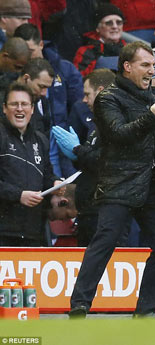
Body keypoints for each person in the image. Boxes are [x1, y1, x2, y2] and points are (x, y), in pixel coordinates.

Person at [69, 41, 155, 318]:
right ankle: (79, 304)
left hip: (153, 181)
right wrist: (150, 119)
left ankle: (146, 311)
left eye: (152, 65)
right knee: (106, 240)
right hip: (120, 181)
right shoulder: (108, 98)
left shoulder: (151, 95)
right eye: (145, 65)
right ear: (127, 67)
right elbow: (118, 134)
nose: (151, 71)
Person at [53, 68, 116, 246]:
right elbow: (91, 161)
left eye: (88, 94)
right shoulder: (99, 123)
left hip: (104, 214)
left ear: (101, 91)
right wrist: (76, 156)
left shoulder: (115, 124)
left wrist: (77, 149)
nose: (84, 100)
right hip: (91, 212)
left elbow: (104, 162)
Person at [14, 23, 85, 177]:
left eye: (30, 51)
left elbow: (78, 105)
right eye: (22, 52)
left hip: (62, 139)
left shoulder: (64, 69)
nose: (26, 56)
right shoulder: (15, 78)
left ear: (40, 44)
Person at [0, 82, 61, 246]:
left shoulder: (40, 139)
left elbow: (47, 174)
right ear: (5, 108)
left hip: (34, 231)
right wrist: (18, 195)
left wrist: (55, 183)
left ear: (32, 109)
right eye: (14, 104)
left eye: (24, 104)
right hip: (4, 232)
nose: (19, 108)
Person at [73, 3, 126, 77]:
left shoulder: (129, 50)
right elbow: (79, 78)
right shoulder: (85, 51)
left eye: (119, 22)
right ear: (97, 28)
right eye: (109, 23)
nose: (115, 26)